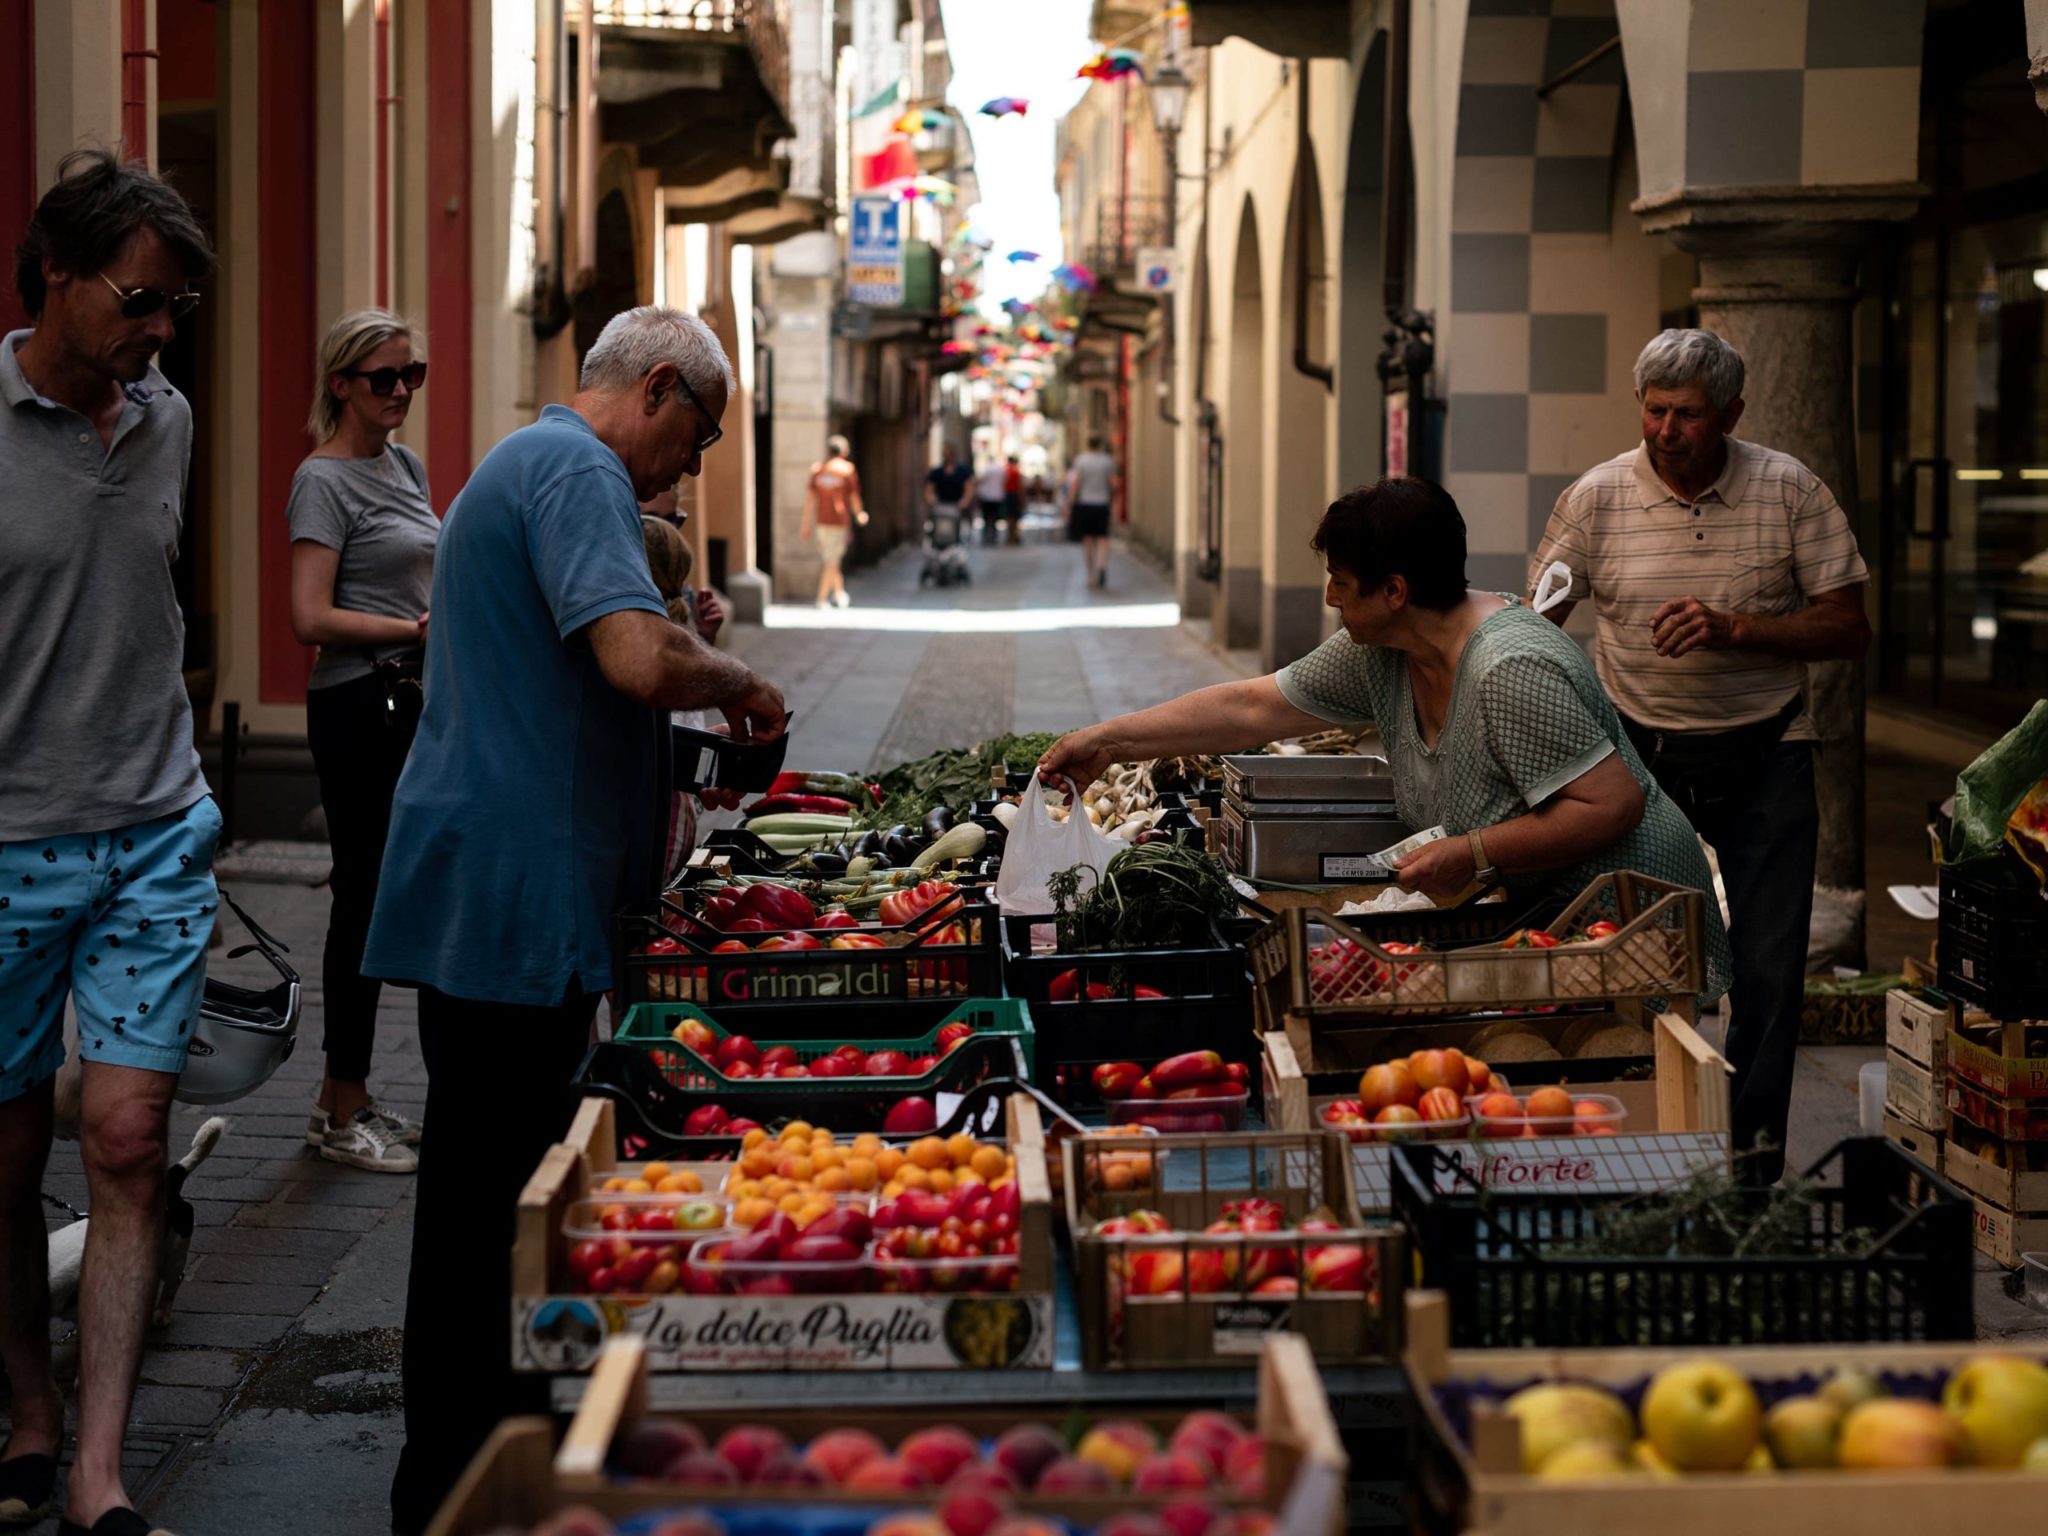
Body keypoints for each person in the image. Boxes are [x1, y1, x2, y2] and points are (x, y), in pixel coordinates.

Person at [363, 306, 787, 1534]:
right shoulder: (574, 468)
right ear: (656, 388)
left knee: (495, 1185)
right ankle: (458, 1477)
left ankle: (480, 1453)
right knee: (489, 1199)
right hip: (511, 885)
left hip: (509, 880)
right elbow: (635, 661)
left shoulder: (539, 464)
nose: (692, 470)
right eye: (698, 437)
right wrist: (743, 682)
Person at [1039, 477, 1731, 1000]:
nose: (1333, 600)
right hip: (1545, 914)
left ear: (1394, 590)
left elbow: (1610, 806)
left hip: (1634, 921)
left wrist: (1474, 851)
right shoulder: (1383, 653)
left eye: (1342, 584)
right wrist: (1107, 741)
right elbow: (1253, 707)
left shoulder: (1508, 667)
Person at [0, 147, 217, 1536]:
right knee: (9, 1163)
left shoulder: (169, 422)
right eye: (138, 303)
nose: (156, 336)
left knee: (128, 1141)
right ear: (59, 277)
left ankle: (97, 1470)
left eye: (173, 312)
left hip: (153, 830)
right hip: (7, 844)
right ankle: (28, 1412)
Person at [1531, 328, 1870, 1183]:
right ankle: (1643, 1145)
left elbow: (1848, 626)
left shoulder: (1790, 489)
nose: (1666, 430)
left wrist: (1736, 629)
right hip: (1637, 759)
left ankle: (1750, 1168)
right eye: (1654, 411)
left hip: (1769, 749)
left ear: (1732, 415)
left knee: (1768, 969)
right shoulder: (1596, 497)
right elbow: (1535, 626)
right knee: (1629, 957)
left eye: (1687, 414)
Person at [287, 308, 436, 1175]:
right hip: (355, 706)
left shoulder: (404, 465)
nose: (400, 392)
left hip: (406, 701)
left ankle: (344, 1099)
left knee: (390, 897)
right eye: (383, 377)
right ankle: (343, 1105)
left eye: (411, 375)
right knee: (364, 900)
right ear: (340, 383)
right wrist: (408, 629)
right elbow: (308, 616)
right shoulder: (322, 479)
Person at [641, 513, 740, 885]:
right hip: (665, 829)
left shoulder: (653, 637)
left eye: (675, 518)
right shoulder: (637, 642)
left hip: (662, 828)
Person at [799, 434, 866, 608]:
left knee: (831, 558)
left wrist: (805, 525)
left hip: (821, 522)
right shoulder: (847, 469)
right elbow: (853, 496)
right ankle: (821, 599)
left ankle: (839, 593)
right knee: (832, 560)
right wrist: (859, 513)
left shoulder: (817, 470)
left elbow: (809, 500)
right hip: (838, 522)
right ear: (844, 452)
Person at [1063, 434, 1118, 589]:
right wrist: (1112, 499)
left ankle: (1090, 574)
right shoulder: (1107, 461)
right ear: (1101, 444)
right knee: (1103, 538)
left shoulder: (1081, 461)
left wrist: (1070, 503)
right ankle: (1102, 565)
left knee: (1087, 540)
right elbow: (1114, 484)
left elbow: (1075, 483)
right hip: (1102, 503)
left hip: (1085, 504)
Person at [925, 441, 973, 531]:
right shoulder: (936, 472)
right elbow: (929, 490)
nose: (947, 457)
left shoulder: (962, 471)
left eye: (949, 454)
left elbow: (969, 489)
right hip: (941, 506)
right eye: (945, 454)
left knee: (960, 528)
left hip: (957, 506)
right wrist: (932, 501)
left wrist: (964, 502)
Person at [974, 451, 1007, 544]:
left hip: (987, 497)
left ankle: (986, 537)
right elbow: (1004, 481)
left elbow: (981, 480)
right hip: (997, 497)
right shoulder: (1000, 469)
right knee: (995, 518)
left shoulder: (987, 469)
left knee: (986, 518)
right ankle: (994, 537)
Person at [1002, 453, 1025, 545]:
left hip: (1007, 495)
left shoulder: (1005, 470)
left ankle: (1010, 536)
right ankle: (1014, 535)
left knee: (1009, 516)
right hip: (1014, 495)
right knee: (1015, 517)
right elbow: (1020, 486)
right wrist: (1023, 498)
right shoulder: (1016, 471)